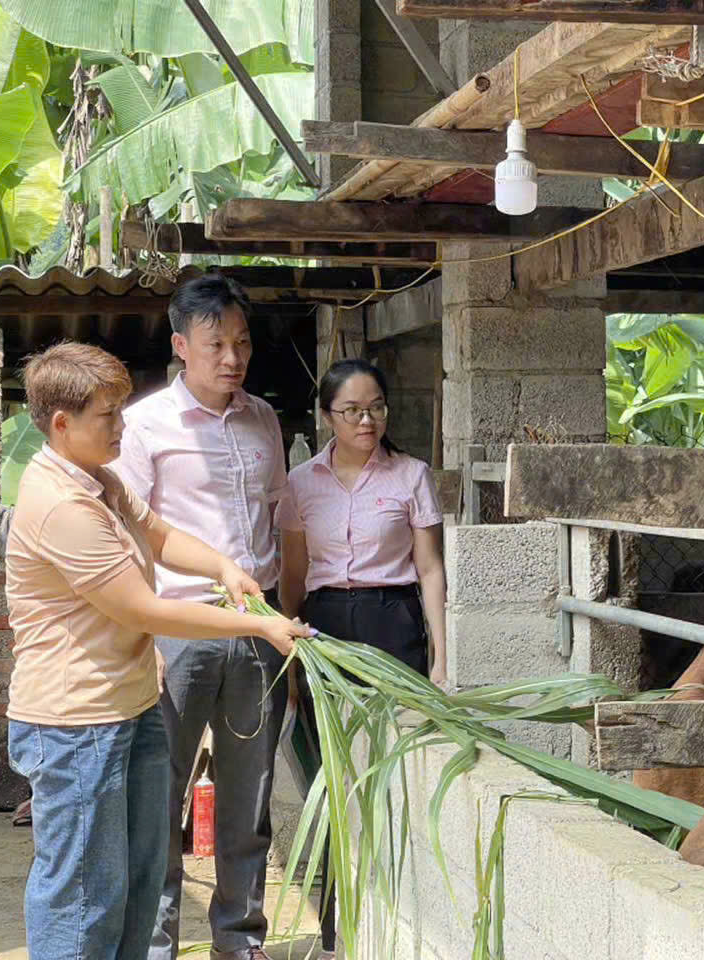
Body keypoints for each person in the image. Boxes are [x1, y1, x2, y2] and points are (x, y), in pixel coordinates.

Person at [5, 341, 310, 960]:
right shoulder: (59, 503)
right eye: (107, 415)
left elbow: (161, 534)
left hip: (132, 701)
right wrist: (257, 626)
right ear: (61, 424)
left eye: (121, 410)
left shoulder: (100, 479)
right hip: (76, 723)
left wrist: (224, 567)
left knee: (140, 879)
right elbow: (142, 609)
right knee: (85, 892)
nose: (122, 425)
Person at [110, 273, 294, 960]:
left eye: (241, 342)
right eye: (216, 344)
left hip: (256, 634)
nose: (232, 358)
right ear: (182, 345)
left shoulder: (264, 420)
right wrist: (142, 637)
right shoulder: (145, 425)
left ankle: (239, 943)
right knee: (160, 802)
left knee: (249, 804)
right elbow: (130, 538)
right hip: (177, 633)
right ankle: (156, 947)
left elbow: (279, 522)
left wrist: (283, 622)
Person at [278, 358, 450, 957]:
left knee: (394, 770)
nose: (367, 420)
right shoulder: (301, 483)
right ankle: (337, 926)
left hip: (393, 625)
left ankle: (401, 915)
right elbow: (294, 577)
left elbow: (430, 572)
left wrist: (440, 660)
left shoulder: (411, 476)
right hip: (324, 632)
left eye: (376, 407)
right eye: (352, 410)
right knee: (334, 778)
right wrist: (293, 661)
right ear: (327, 416)